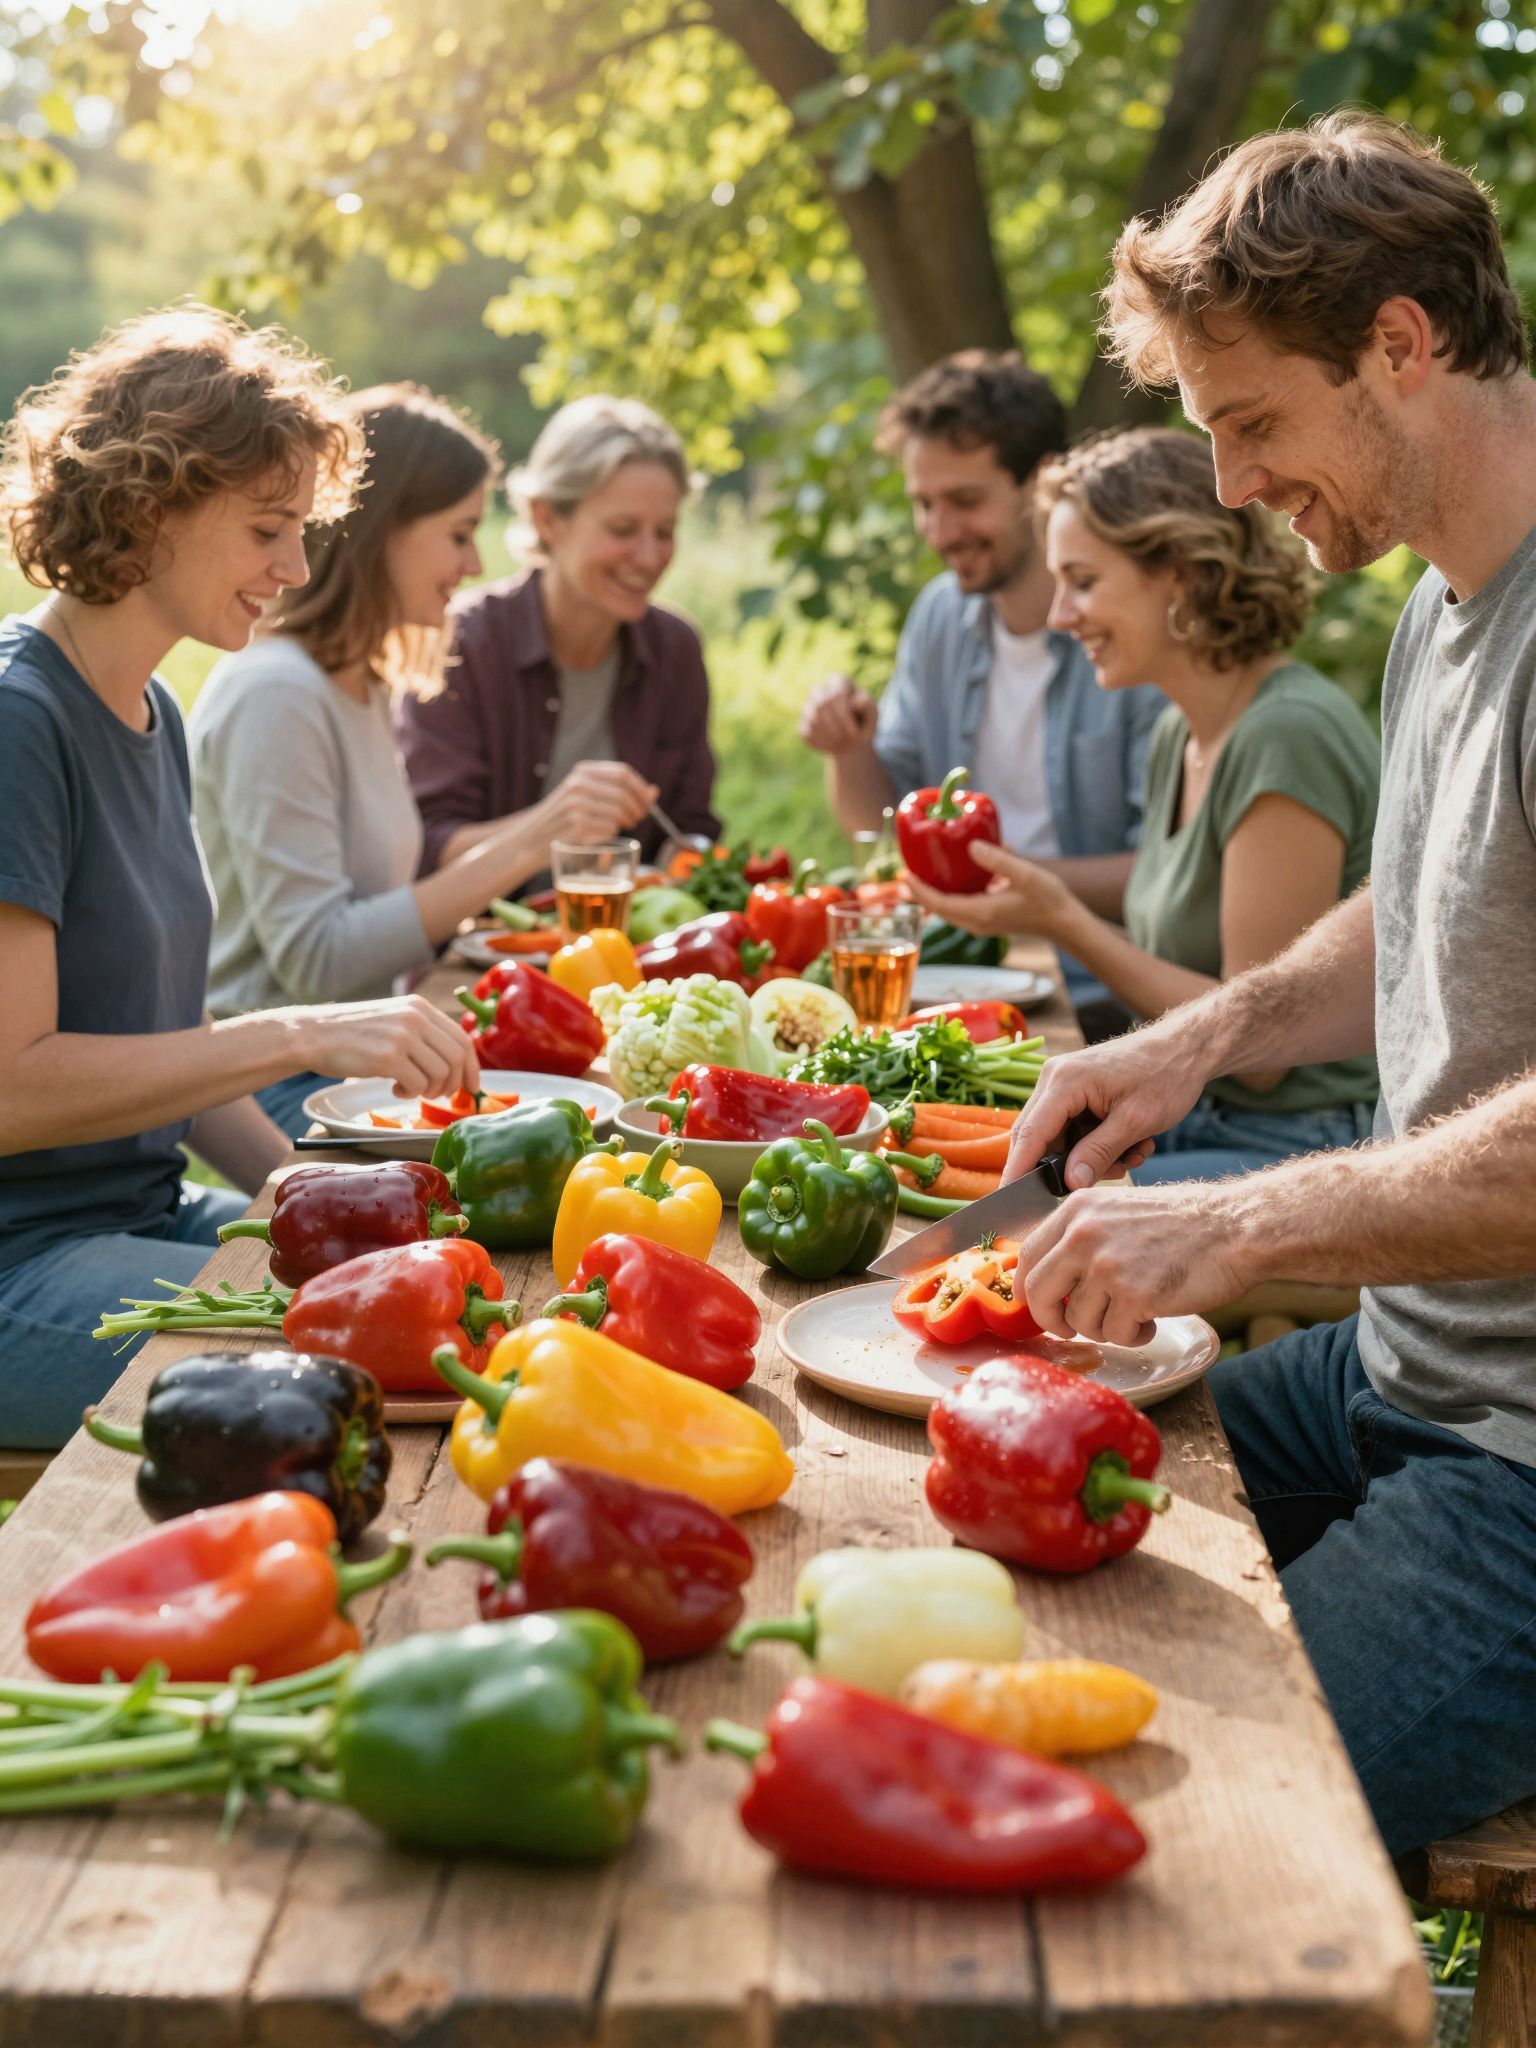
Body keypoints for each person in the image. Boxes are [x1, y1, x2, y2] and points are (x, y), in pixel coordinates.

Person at [1002, 114, 1536, 1858]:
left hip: (1519, 1480)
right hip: (1405, 1362)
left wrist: (1238, 1229)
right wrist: (1204, 1035)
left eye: (1250, 424)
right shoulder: (1442, 604)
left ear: (1399, 343)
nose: (1228, 485)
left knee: (1187, 1850)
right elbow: (1431, 892)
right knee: (991, 1479)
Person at [0, 308, 480, 1448]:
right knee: (364, 1371)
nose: (298, 568)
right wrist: (301, 1031)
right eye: (270, 528)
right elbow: (13, 1088)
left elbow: (167, 1038)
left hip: (139, 1218)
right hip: (22, 1269)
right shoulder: (21, 723)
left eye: (305, 530)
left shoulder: (154, 710)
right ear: (148, 502)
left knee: (450, 1285)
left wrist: (299, 1188)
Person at [909, 426, 1379, 1181]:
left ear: (1182, 577)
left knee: (1023, 1231)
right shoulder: (1178, 733)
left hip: (1299, 1143)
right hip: (1188, 1118)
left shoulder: (1287, 735)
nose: (1062, 616)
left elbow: (1258, 1058)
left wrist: (1065, 921)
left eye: (1084, 582)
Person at [192, 384, 577, 1137]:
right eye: (459, 533)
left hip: (361, 1065)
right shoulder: (277, 694)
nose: (473, 563)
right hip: (286, 1092)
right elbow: (319, 963)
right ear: (382, 530)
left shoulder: (359, 684)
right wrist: (530, 842)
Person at [797, 350, 1165, 1019]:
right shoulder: (941, 615)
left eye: (965, 501)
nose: (940, 532)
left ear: (1042, 481)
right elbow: (881, 830)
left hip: (1105, 995)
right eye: (923, 504)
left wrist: (998, 879)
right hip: (958, 978)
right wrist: (847, 747)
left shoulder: (1128, 632)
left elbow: (1167, 872)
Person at [397, 394, 718, 873]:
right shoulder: (461, 643)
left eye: (665, 531)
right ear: (548, 519)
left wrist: (692, 858)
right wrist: (555, 825)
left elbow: (689, 826)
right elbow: (431, 846)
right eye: (624, 529)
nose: (650, 557)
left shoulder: (675, 650)